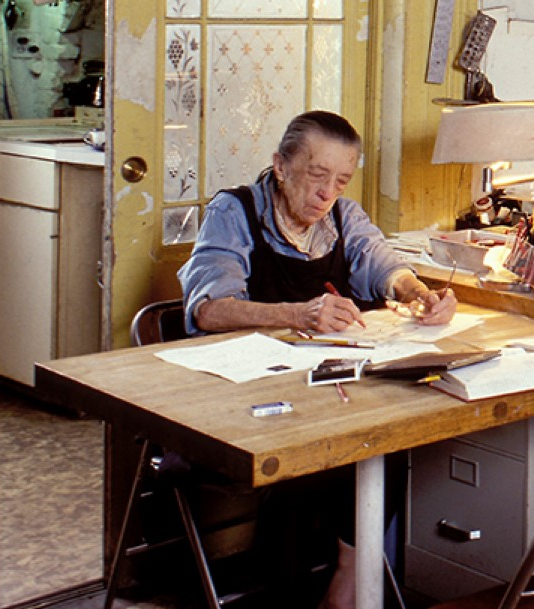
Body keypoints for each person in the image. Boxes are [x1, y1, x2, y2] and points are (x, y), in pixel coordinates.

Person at [178, 110, 456, 609]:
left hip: (326, 384)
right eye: (316, 176)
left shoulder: (344, 218)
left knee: (389, 435)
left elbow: (384, 264)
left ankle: (348, 580)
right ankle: (290, 593)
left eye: (341, 180)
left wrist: (417, 292)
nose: (327, 193)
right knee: (303, 461)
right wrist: (296, 312)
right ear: (281, 166)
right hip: (248, 390)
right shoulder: (234, 212)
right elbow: (208, 308)